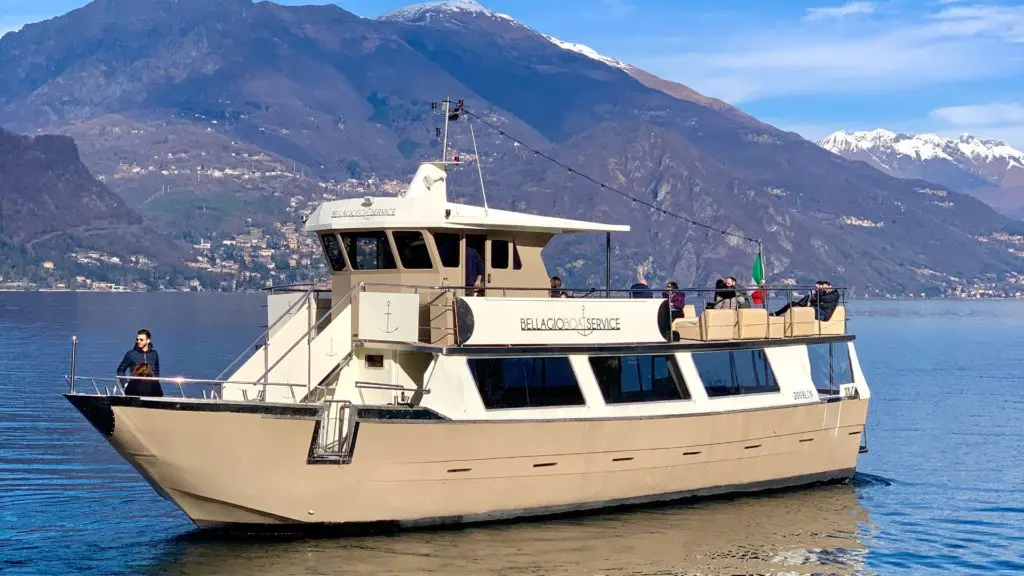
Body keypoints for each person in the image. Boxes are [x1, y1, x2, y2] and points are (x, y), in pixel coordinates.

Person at [117, 329, 161, 394]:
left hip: (151, 388)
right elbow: (120, 370)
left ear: (148, 340)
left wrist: (156, 383)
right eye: (137, 339)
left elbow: (156, 371)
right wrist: (125, 384)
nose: (138, 341)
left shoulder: (154, 354)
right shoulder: (131, 354)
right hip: (135, 388)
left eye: (141, 340)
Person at [772, 281, 840, 320]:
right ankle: (776, 314)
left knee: (809, 309)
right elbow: (816, 301)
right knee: (792, 304)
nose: (817, 289)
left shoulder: (834, 294)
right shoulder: (819, 294)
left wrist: (819, 292)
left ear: (830, 286)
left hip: (824, 315)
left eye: (824, 287)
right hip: (817, 310)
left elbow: (825, 299)